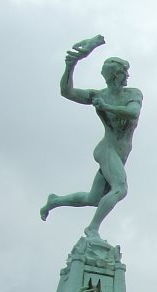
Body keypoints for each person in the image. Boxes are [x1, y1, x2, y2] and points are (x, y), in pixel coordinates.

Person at [40, 41, 143, 239]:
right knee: (120, 189)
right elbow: (67, 92)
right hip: (107, 149)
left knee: (93, 198)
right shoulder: (99, 95)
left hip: (121, 152)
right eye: (124, 72)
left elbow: (132, 112)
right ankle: (92, 228)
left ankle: (54, 201)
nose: (127, 76)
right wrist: (71, 65)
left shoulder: (133, 94)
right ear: (115, 75)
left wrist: (106, 107)